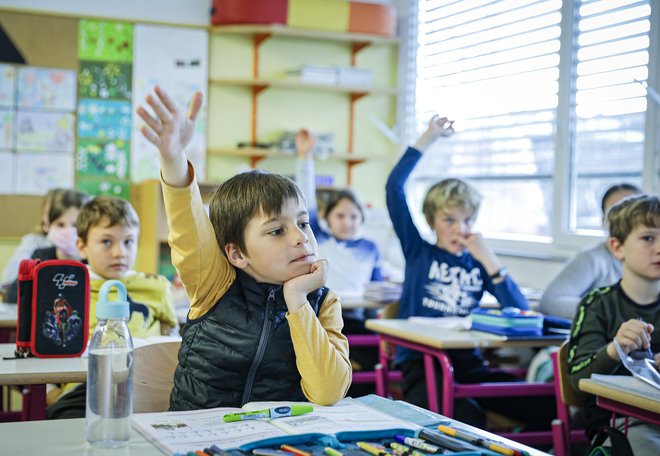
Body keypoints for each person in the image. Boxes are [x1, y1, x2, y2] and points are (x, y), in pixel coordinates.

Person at [135, 86, 351, 410]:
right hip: (200, 438)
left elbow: (329, 391)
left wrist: (297, 301)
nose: (300, 237)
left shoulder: (322, 302)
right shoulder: (215, 283)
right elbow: (187, 223)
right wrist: (173, 156)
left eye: (303, 223)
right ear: (237, 254)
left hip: (272, 441)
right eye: (277, 230)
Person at [385, 115, 554, 430]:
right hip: (422, 362)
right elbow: (394, 188)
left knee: (547, 404)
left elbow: (519, 311)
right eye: (449, 220)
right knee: (461, 416)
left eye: (466, 220)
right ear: (432, 219)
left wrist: (488, 258)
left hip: (466, 361)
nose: (459, 229)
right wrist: (428, 138)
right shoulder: (419, 251)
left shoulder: (477, 261)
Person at [46, 195, 179, 419]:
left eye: (129, 241)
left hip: (149, 386)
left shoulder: (156, 287)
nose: (120, 253)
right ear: (82, 246)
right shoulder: (66, 290)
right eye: (107, 242)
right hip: (87, 387)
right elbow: (49, 346)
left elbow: (170, 338)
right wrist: (51, 391)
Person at [567, 194, 660, 455]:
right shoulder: (597, 304)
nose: (659, 248)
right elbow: (577, 379)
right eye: (648, 238)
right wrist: (615, 348)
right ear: (617, 247)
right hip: (620, 421)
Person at [295, 128, 383, 380]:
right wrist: (305, 157)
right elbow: (305, 201)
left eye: (354, 216)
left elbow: (375, 288)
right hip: (323, 319)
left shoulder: (370, 248)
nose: (348, 222)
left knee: (376, 358)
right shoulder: (319, 239)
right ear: (326, 218)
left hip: (356, 321)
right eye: (340, 215)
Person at [540, 183, 643, 319]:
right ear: (603, 222)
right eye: (615, 213)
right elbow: (550, 301)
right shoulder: (593, 258)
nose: (625, 220)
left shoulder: (652, 259)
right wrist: (605, 312)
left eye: (633, 213)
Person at [4, 189, 90, 303]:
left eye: (75, 225)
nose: (68, 231)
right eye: (60, 224)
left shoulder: (92, 260)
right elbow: (13, 296)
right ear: (47, 226)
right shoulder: (40, 257)